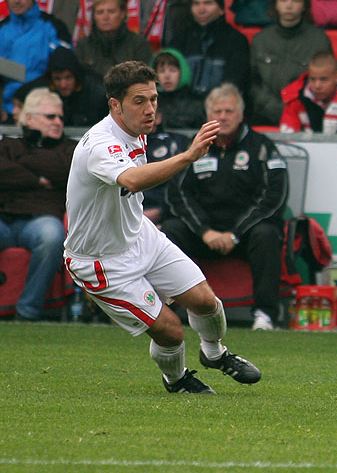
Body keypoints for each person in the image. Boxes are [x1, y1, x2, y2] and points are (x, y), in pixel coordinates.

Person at [64, 61, 261, 394]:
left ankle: (215, 353)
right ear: (115, 105)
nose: (150, 108)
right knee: (170, 332)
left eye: (153, 99)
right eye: (139, 101)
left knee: (206, 301)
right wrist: (188, 156)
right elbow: (132, 179)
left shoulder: (136, 131)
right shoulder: (99, 144)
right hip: (101, 261)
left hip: (139, 235)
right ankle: (177, 379)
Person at [163, 83, 289, 332]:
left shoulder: (262, 147)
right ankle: (169, 310)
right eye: (217, 112)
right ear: (208, 116)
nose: (223, 117)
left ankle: (265, 314)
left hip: (245, 235)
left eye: (229, 111)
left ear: (241, 115)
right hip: (205, 234)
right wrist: (204, 231)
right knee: (170, 229)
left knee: (267, 233)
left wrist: (235, 233)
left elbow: (274, 197)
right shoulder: (193, 148)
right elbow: (177, 194)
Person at [0, 88, 76, 321]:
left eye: (60, 117)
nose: (58, 122)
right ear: (29, 119)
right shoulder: (10, 144)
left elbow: (63, 169)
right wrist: (36, 180)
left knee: (52, 237)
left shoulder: (70, 149)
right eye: (50, 116)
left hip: (42, 219)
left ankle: (27, 312)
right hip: (5, 217)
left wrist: (21, 164)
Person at [249, 0, 332, 127]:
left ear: (304, 6)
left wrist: (296, 108)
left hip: (307, 115)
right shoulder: (261, 39)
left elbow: (327, 80)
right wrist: (271, 106)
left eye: (296, 0)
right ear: (275, 4)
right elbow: (252, 82)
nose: (289, 5)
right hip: (264, 114)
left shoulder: (319, 40)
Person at [0, 0, 71, 119]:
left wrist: (23, 94)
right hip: (7, 111)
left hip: (46, 108)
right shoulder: (2, 28)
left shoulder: (54, 27)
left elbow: (65, 70)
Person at [170, 0, 250, 99]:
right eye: (196, 3)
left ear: (221, 9)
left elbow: (234, 82)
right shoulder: (180, 39)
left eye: (208, 3)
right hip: (182, 106)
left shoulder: (236, 40)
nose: (201, 9)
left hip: (219, 105)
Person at [14, 46, 109, 127]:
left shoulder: (98, 91)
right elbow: (19, 96)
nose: (63, 85)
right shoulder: (44, 86)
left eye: (68, 78)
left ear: (76, 77)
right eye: (57, 79)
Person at [280, 51, 337, 134]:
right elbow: (287, 138)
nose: (317, 86)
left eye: (324, 79)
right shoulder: (297, 99)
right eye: (313, 79)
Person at [74, 0, 153, 79]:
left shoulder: (138, 44)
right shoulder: (83, 46)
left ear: (122, 14)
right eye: (100, 12)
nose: (105, 17)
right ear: (94, 16)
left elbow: (145, 79)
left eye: (111, 11)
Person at [143, 109, 189, 225]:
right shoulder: (116, 145)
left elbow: (181, 185)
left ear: (158, 118)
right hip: (127, 212)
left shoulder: (176, 142)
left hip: (165, 212)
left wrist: (162, 210)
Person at [151, 48, 206, 129]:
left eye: (172, 70)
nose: (167, 76)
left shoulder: (197, 102)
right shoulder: (152, 101)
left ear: (182, 72)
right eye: (162, 71)